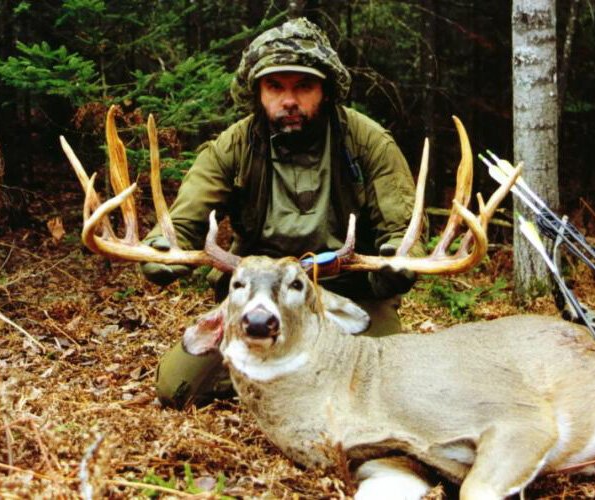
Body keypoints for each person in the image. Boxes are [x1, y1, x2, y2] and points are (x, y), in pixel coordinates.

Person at [140, 18, 426, 409]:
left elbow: (403, 228)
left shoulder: (366, 141)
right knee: (178, 388)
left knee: (393, 389)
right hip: (258, 297)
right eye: (275, 86)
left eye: (303, 86)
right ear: (257, 92)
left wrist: (398, 260)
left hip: (345, 293)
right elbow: (185, 218)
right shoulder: (236, 144)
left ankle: (297, 377)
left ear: (324, 90)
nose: (288, 100)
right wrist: (163, 246)